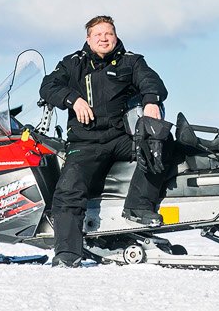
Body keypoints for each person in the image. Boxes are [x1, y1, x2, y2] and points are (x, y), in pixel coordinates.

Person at [38, 15, 169, 267]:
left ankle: (139, 206)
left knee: (161, 145)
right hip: (85, 142)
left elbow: (152, 81)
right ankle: (67, 254)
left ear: (115, 36)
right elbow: (48, 86)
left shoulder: (131, 61)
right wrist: (72, 99)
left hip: (122, 138)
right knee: (68, 190)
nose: (103, 38)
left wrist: (151, 100)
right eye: (97, 34)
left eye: (108, 33)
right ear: (88, 39)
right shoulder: (72, 64)